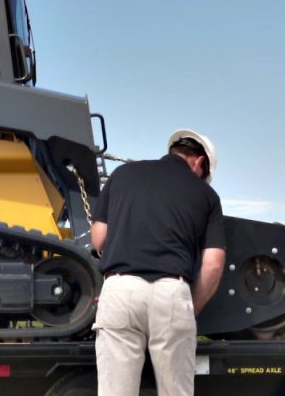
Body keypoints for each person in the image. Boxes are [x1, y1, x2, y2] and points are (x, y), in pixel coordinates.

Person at [91, 128, 226, 396]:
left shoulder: (122, 175)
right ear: (199, 162)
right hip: (171, 293)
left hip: (121, 289)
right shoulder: (206, 196)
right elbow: (213, 264)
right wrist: (191, 308)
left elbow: (99, 238)